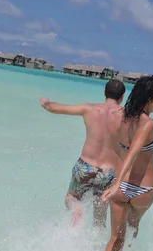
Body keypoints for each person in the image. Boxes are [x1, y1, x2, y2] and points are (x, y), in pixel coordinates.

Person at [100, 74, 153, 251]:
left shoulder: (122, 117)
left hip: (119, 188)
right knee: (131, 231)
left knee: (115, 238)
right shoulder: (149, 123)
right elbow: (135, 150)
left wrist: (117, 181)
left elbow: (124, 146)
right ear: (150, 98)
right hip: (143, 190)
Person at [40, 79, 126, 229]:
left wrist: (47, 104)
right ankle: (94, 248)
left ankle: (76, 209)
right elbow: (143, 131)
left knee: (70, 197)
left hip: (84, 166)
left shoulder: (89, 108)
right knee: (100, 217)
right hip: (107, 172)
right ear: (122, 96)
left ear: (105, 92)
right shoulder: (126, 116)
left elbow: (57, 108)